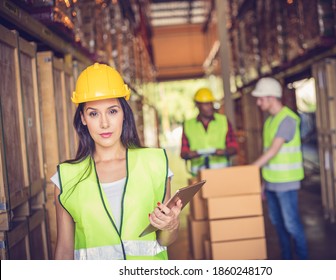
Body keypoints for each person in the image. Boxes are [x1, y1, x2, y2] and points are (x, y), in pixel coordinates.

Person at [51, 63, 182, 260]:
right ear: (83, 118)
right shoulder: (66, 178)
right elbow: (63, 252)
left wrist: (171, 224)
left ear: (124, 114)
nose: (104, 123)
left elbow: (164, 240)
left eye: (112, 111)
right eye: (93, 113)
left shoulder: (155, 164)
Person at [250, 77, 308, 260]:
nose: (258, 103)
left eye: (260, 99)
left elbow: (274, 151)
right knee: (278, 224)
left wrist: (248, 170)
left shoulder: (288, 119)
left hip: (286, 183)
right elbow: (268, 157)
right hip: (272, 183)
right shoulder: (269, 122)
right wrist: (262, 184)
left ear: (271, 98)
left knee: (291, 225)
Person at [180, 87, 238, 176]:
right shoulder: (188, 125)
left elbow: (234, 148)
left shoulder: (223, 121)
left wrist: (224, 152)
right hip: (198, 176)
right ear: (198, 105)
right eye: (206, 104)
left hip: (222, 174)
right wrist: (191, 154)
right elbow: (183, 153)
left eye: (211, 103)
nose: (210, 107)